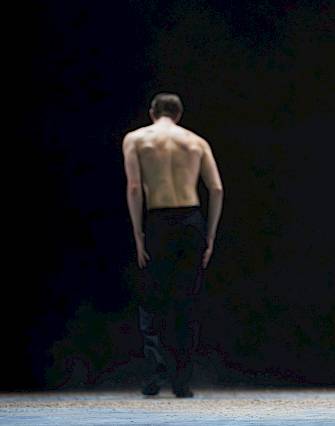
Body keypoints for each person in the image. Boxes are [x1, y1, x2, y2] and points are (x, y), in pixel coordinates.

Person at [122, 93, 224, 397]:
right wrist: (210, 235)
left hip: (158, 220)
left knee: (152, 298)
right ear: (178, 115)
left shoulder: (136, 139)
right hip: (191, 220)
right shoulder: (196, 142)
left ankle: (154, 373)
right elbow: (216, 189)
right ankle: (182, 381)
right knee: (186, 299)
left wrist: (138, 233)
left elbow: (134, 187)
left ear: (152, 112)